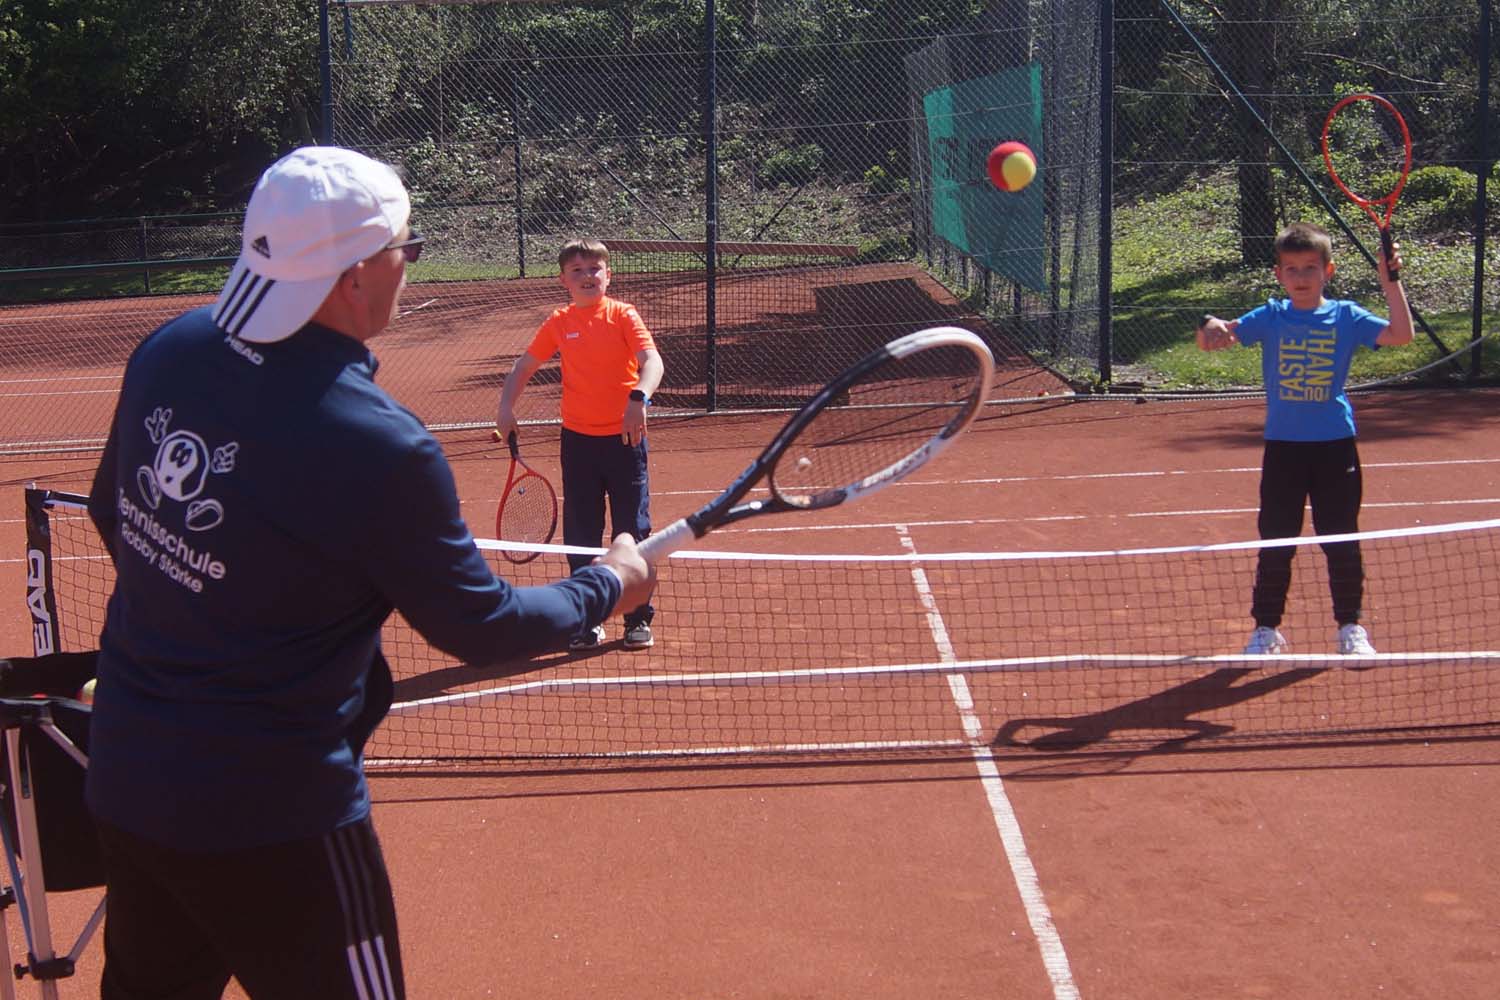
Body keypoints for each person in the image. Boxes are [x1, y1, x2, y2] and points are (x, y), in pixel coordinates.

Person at [84, 146, 655, 1000]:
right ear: (357, 275)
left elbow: (109, 512)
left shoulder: (171, 348)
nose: (406, 267)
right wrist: (608, 583)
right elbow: (481, 625)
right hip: (280, 819)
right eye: (406, 250)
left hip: (126, 772)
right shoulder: (379, 442)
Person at [1198, 221, 1412, 656]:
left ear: (1327, 272)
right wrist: (1211, 327)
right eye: (1291, 269)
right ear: (1279, 274)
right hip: (1284, 449)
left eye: (1310, 268)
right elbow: (1212, 338)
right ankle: (1266, 630)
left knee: (1340, 540)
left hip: (1335, 446)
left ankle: (1351, 629)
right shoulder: (1271, 315)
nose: (1300, 277)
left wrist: (1391, 283)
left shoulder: (1347, 316)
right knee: (1277, 540)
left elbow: (1401, 335)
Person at [495, 237, 665, 650]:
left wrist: (638, 399)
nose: (588, 277)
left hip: (626, 440)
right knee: (581, 533)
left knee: (633, 532)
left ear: (609, 275)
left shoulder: (623, 315)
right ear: (563, 280)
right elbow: (525, 365)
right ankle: (588, 618)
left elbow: (652, 362)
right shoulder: (559, 321)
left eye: (595, 269)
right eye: (578, 271)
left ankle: (637, 618)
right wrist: (505, 406)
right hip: (578, 443)